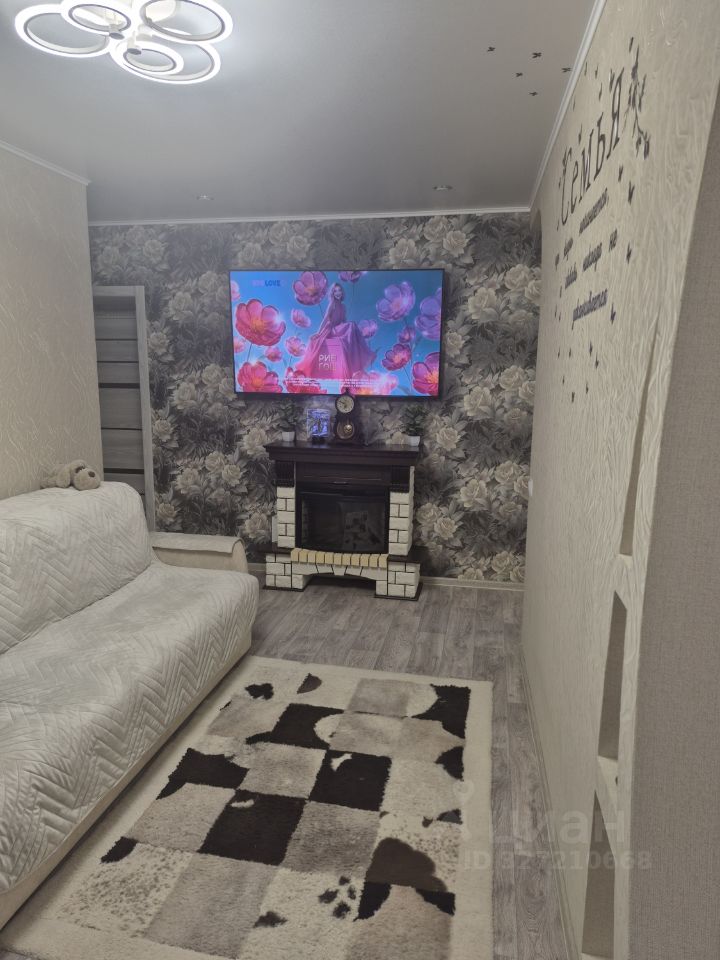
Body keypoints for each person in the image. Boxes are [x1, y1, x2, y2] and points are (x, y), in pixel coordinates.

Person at [295, 283, 375, 381]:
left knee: (351, 326)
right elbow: (325, 319)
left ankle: (354, 356)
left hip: (339, 329)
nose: (338, 293)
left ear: (342, 292)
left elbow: (344, 321)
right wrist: (318, 333)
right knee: (352, 325)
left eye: (339, 290)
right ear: (332, 293)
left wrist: (347, 332)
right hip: (330, 329)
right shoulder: (332, 304)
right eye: (335, 291)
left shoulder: (343, 306)